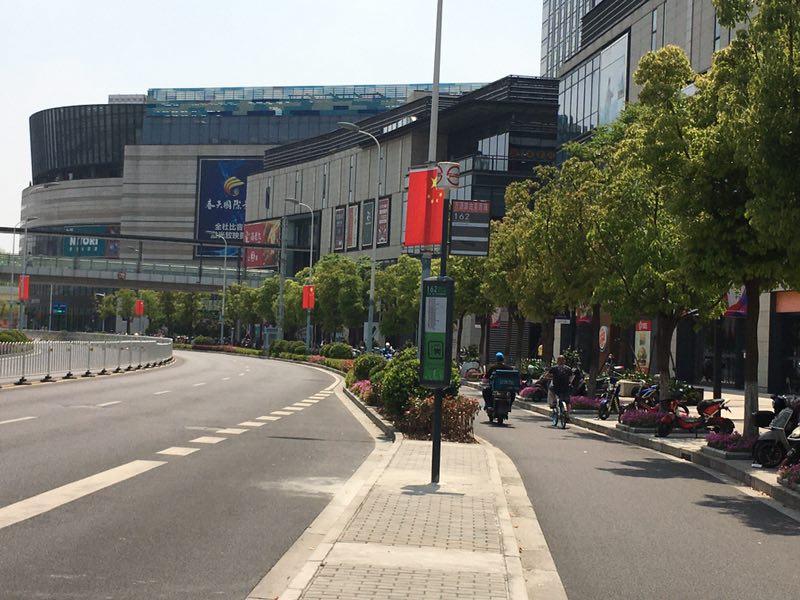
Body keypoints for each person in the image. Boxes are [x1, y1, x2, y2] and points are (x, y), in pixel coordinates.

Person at [545, 355, 573, 419]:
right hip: (566, 387)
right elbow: (571, 377)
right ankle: (567, 415)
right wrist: (569, 382)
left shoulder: (554, 368)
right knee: (567, 402)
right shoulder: (568, 368)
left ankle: (553, 403)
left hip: (556, 387)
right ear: (564, 361)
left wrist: (550, 378)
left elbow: (547, 375)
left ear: (557, 361)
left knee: (550, 390)